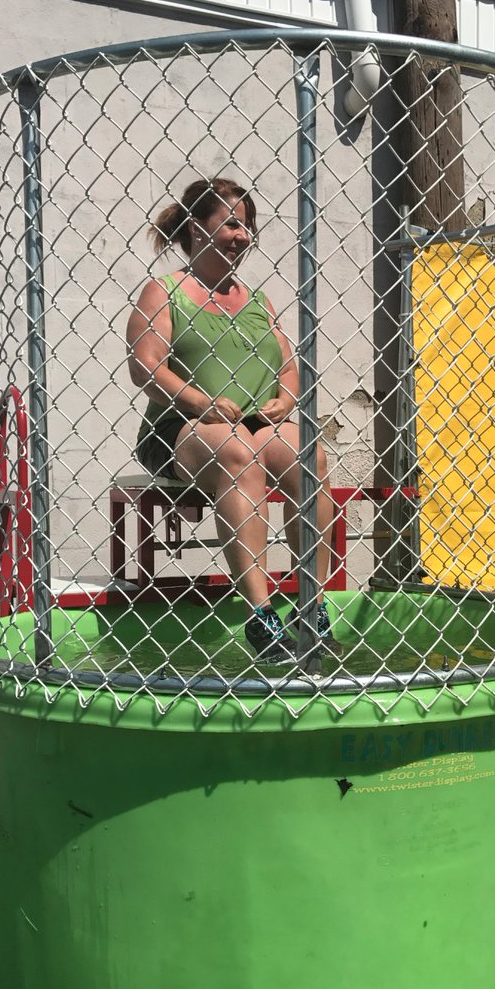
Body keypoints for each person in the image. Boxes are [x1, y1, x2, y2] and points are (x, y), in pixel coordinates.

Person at [126, 177, 335, 665]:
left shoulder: (258, 300)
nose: (244, 236)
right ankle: (262, 617)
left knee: (312, 455)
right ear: (198, 228)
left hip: (258, 421)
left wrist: (287, 399)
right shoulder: (166, 290)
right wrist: (200, 403)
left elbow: (289, 366)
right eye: (233, 224)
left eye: (249, 226)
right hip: (182, 426)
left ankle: (313, 607)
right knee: (235, 452)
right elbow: (146, 365)